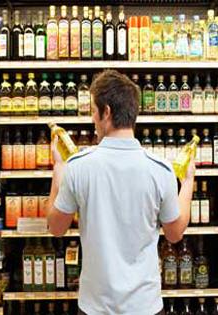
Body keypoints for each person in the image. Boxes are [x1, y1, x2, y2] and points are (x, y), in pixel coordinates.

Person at [47, 70, 195, 315]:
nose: (92, 119)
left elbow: (56, 227)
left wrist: (58, 171)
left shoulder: (78, 167)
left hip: (95, 306)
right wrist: (188, 182)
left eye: (93, 111)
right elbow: (175, 233)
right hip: (145, 305)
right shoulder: (161, 170)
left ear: (106, 112)